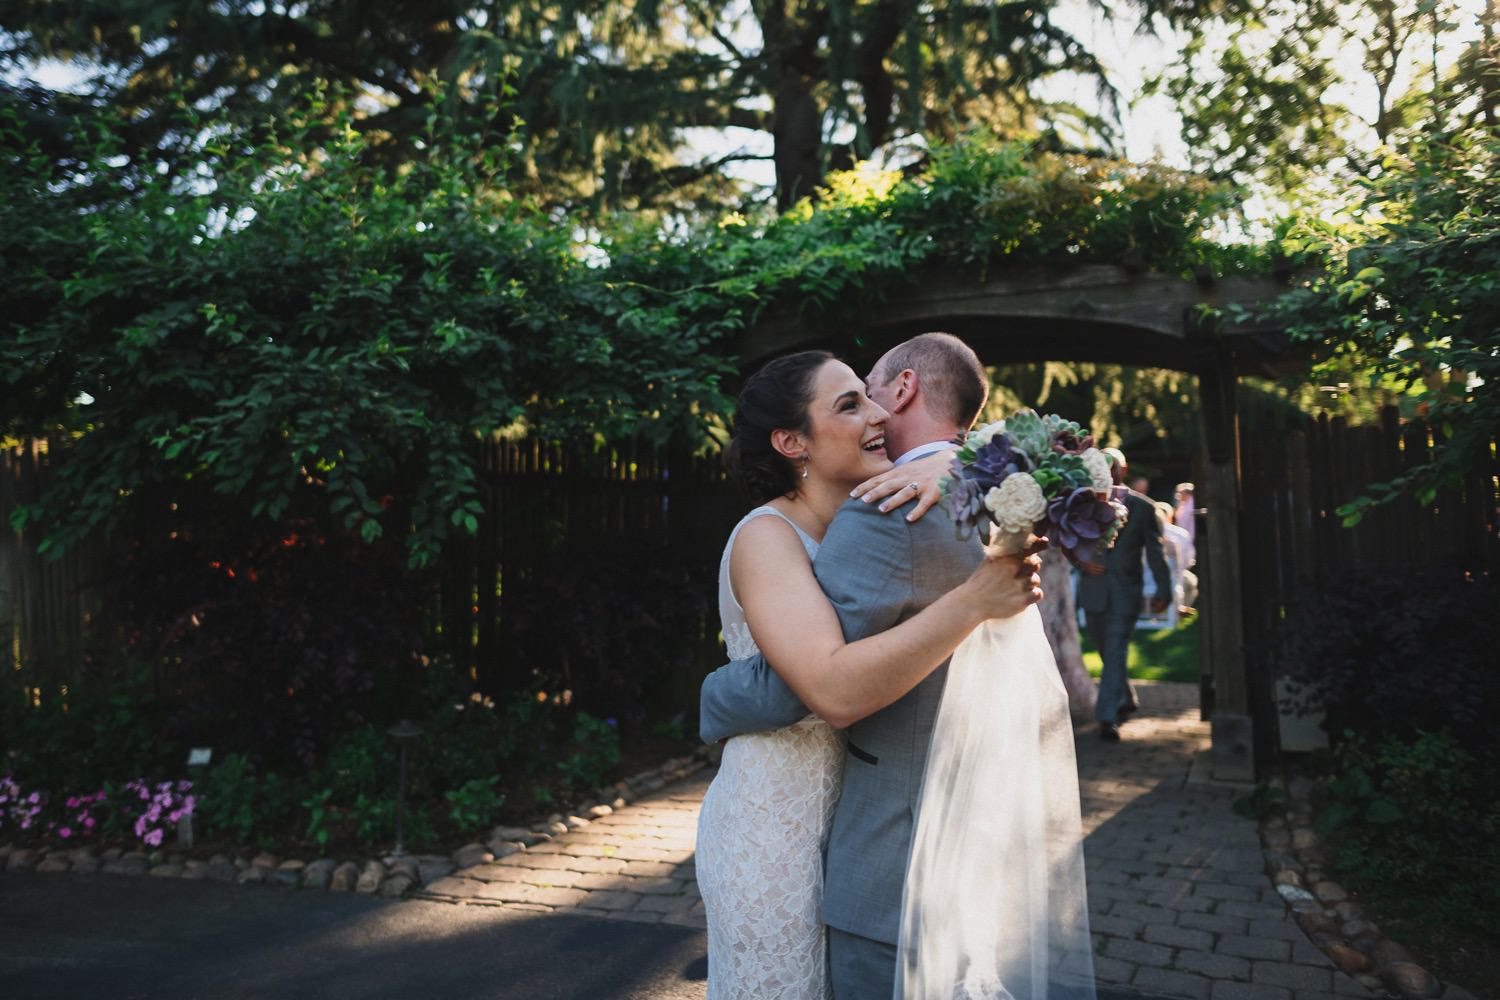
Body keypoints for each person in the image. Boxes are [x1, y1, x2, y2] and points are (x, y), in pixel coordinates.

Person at [700, 334, 1094, 999]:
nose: (878, 417)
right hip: (779, 821)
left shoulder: (884, 508)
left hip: (850, 817)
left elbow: (997, 443)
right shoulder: (770, 535)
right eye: (850, 406)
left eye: (871, 396)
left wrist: (951, 465)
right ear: (792, 443)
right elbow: (823, 684)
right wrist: (976, 597)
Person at [1077, 448, 1171, 741]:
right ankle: (1126, 697)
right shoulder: (1082, 504)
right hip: (1093, 591)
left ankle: (1107, 718)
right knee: (1107, 651)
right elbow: (1066, 539)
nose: (1108, 472)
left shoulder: (1143, 508)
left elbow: (1156, 554)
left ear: (1124, 470)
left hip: (1125, 591)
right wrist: (1080, 561)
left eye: (1113, 466)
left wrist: (1165, 590)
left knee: (1116, 650)